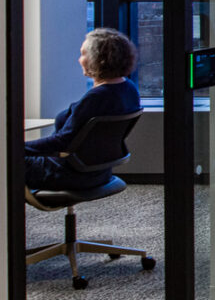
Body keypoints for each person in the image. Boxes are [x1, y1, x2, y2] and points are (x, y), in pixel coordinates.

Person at [27, 28, 142, 192]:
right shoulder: (129, 89)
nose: (80, 59)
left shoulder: (97, 98)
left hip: (67, 174)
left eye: (83, 54)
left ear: (98, 59)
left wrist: (16, 147)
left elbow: (62, 142)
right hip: (98, 172)